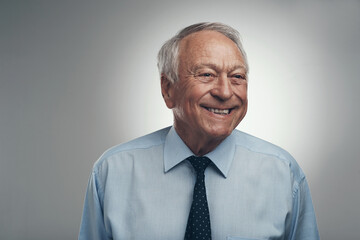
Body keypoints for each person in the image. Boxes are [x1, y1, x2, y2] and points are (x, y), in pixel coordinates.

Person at [78, 22, 319, 240]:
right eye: (207, 74)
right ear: (168, 89)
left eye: (237, 77)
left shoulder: (283, 173)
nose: (225, 92)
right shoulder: (112, 172)